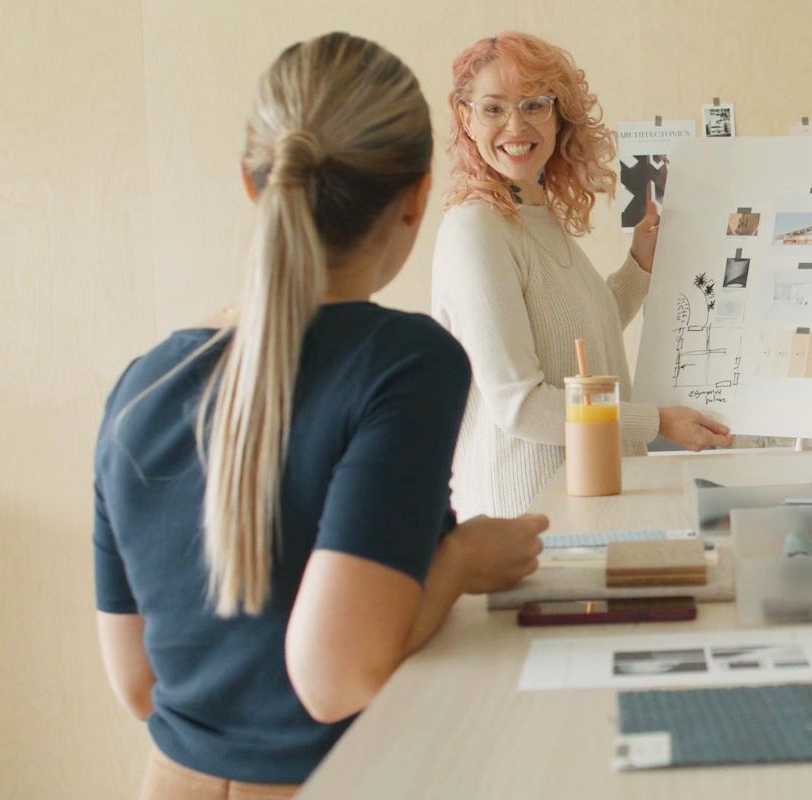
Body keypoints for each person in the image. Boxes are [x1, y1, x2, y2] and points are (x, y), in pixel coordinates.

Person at [92, 33, 547, 796]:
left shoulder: (141, 385)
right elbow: (337, 677)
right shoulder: (406, 363)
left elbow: (138, 685)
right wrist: (463, 558)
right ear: (416, 195)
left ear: (250, 182)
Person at [433, 32, 732, 518]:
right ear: (466, 118)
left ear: (559, 117)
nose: (516, 125)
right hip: (526, 514)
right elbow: (520, 405)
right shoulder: (475, 229)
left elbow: (585, 333)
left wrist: (640, 262)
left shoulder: (536, 215)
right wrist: (654, 422)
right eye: (493, 108)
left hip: (584, 504)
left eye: (534, 104)